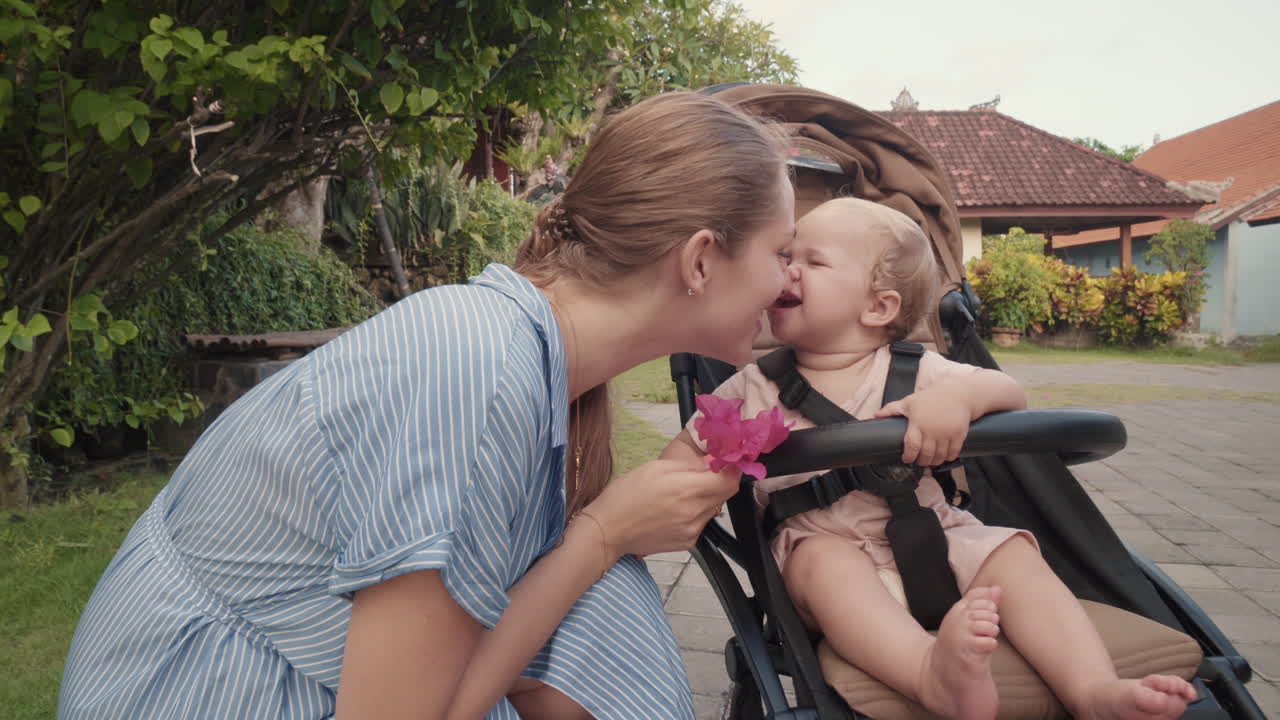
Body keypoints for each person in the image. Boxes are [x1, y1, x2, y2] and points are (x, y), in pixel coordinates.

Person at [57, 91, 797, 720]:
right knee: (598, 574)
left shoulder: (532, 359)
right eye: (781, 252)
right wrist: (603, 533)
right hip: (210, 691)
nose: (789, 285)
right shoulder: (475, 363)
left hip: (300, 672)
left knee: (607, 599)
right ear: (701, 260)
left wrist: (615, 536)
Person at [663, 198, 1198, 720]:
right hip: (825, 559)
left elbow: (1008, 391)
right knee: (823, 560)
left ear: (878, 306)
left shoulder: (922, 372)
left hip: (936, 540)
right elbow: (681, 457)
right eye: (786, 257)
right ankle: (930, 676)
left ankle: (1094, 689)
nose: (788, 272)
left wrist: (959, 401)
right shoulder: (752, 388)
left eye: (813, 261)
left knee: (1010, 552)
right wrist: (672, 483)